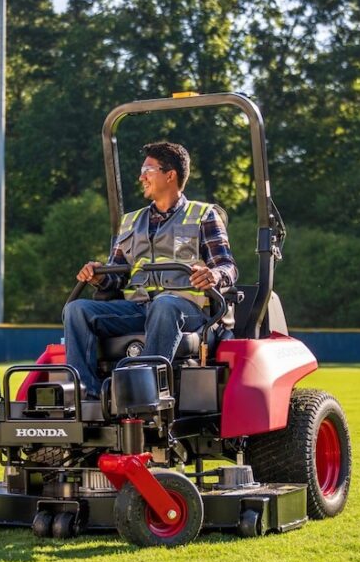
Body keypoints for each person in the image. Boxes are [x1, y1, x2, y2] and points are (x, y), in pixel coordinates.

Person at [63, 141, 237, 398]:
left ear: (170, 175)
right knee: (76, 309)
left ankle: (145, 391)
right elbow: (117, 279)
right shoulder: (131, 222)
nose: (141, 176)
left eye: (148, 170)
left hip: (189, 311)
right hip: (139, 308)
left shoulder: (204, 215)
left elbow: (228, 266)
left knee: (165, 304)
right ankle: (87, 393)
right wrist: (99, 276)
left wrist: (214, 275)